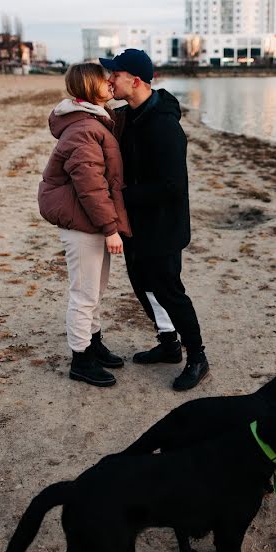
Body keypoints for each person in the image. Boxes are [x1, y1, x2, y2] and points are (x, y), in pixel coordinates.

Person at [101, 49, 210, 391]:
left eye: (114, 75)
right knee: (141, 285)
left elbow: (173, 187)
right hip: (135, 225)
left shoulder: (164, 125)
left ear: (134, 81)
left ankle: (197, 356)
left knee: (169, 291)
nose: (109, 81)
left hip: (162, 227)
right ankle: (168, 345)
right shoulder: (127, 117)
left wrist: (122, 196)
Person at [37, 63, 131, 387]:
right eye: (104, 80)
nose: (110, 83)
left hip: (87, 218)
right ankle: (81, 359)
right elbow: (90, 186)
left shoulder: (92, 119)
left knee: (95, 288)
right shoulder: (83, 129)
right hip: (82, 222)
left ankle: (93, 343)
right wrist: (111, 228)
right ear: (90, 88)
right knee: (84, 292)